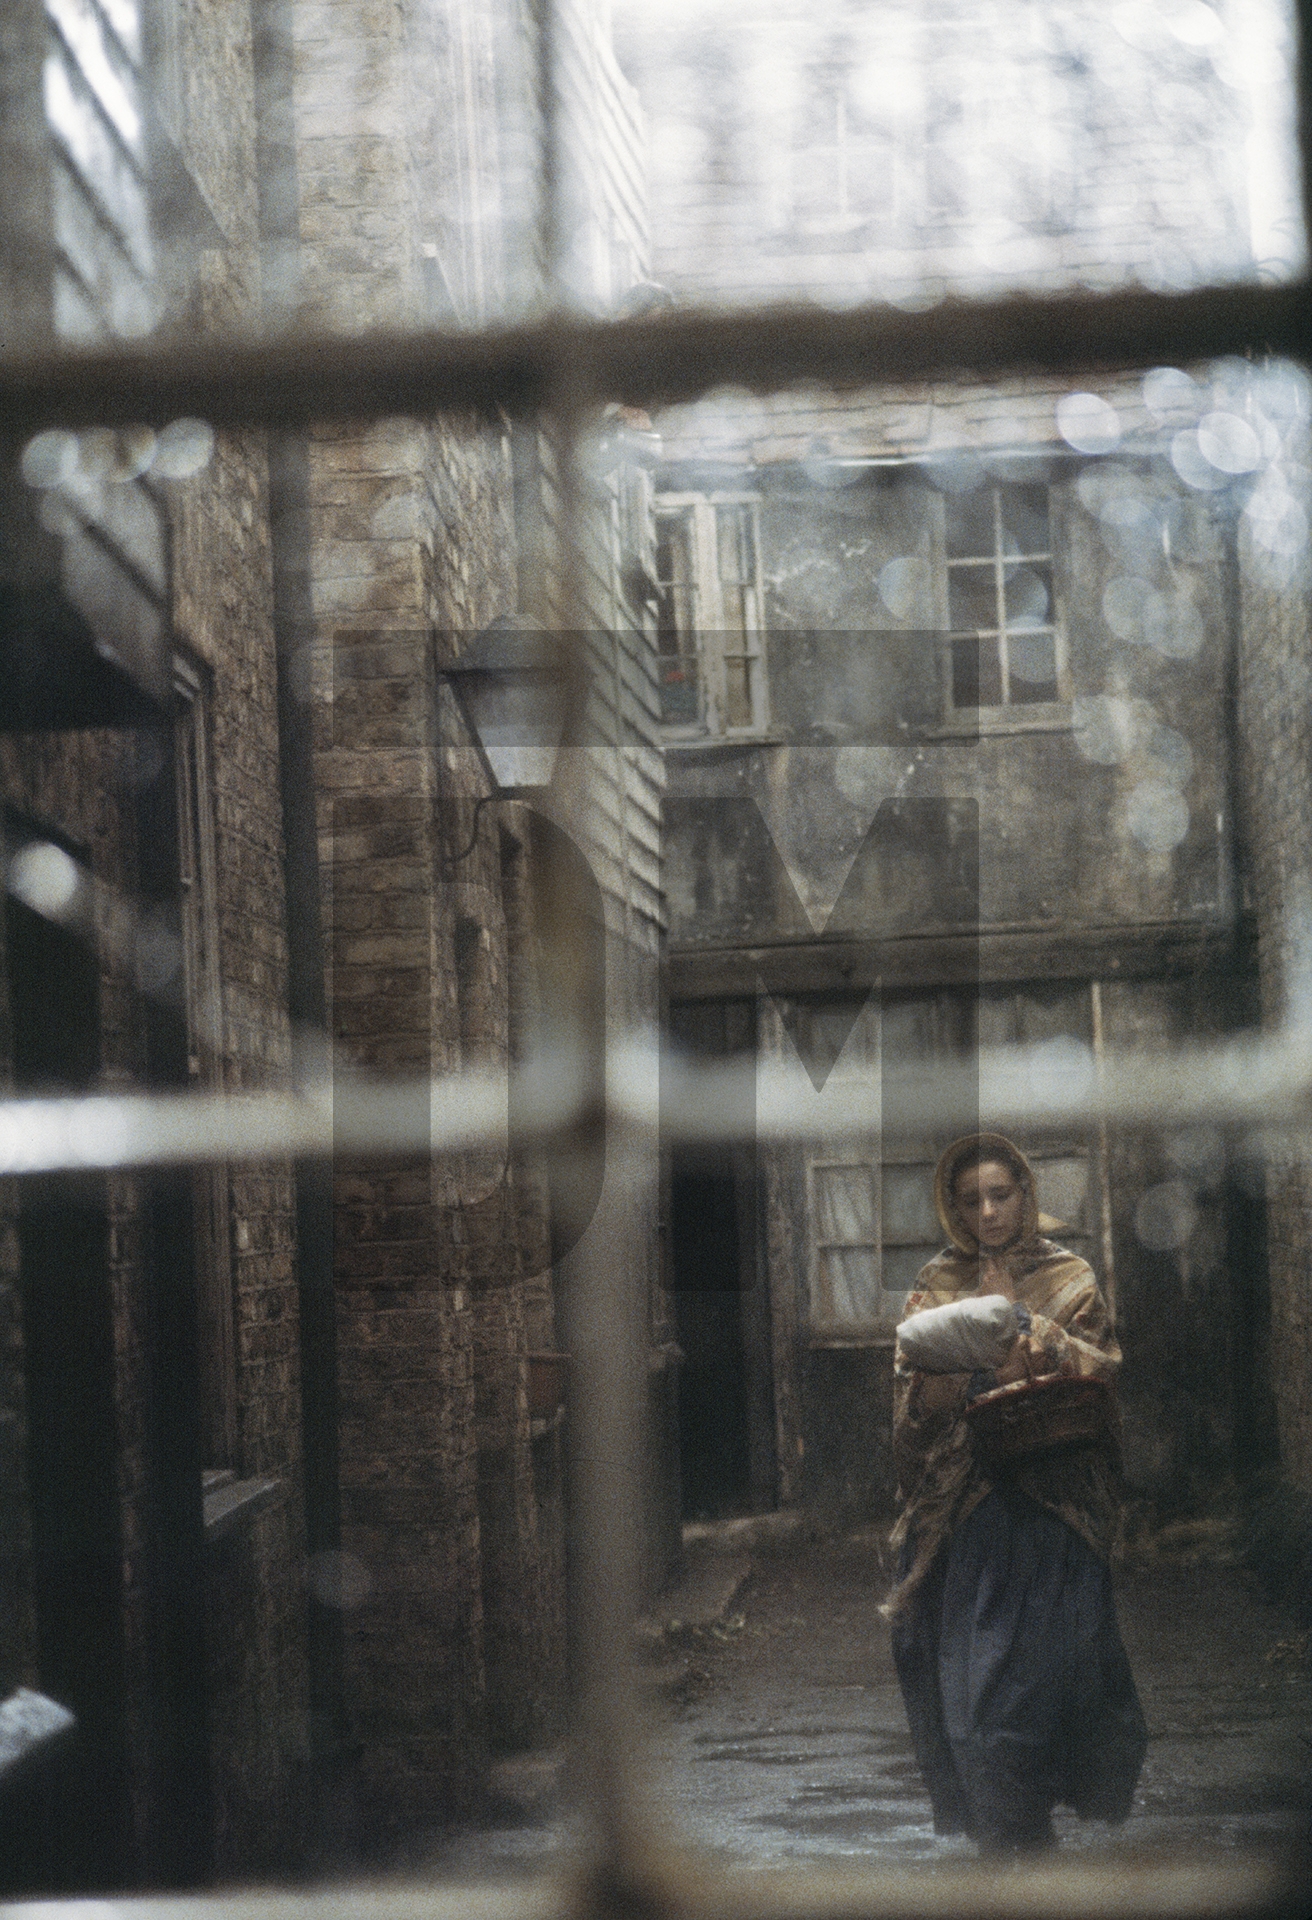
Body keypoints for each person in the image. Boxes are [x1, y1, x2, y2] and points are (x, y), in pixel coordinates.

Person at [884, 1132, 1147, 1854]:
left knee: (1048, 1692)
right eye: (971, 1201)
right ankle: (1011, 1837)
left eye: (1002, 1195)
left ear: (1026, 1195)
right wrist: (939, 1387)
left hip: (1050, 1517)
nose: (989, 1212)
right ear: (954, 1209)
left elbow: (1103, 1374)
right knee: (975, 1706)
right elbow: (907, 1418)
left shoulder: (1071, 1277)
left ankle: (1029, 1826)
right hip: (966, 1525)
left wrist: (1037, 1338)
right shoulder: (934, 1289)